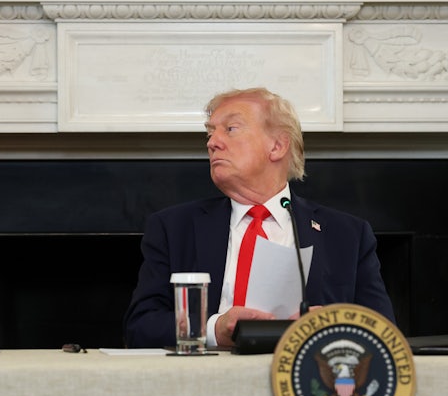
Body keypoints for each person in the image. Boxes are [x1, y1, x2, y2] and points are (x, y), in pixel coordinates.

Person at [124, 87, 395, 348]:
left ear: (277, 146)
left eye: (230, 129)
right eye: (210, 133)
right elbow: (139, 327)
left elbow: (384, 332)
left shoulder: (347, 234)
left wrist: (331, 326)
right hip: (206, 374)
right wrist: (214, 329)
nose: (212, 142)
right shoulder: (174, 228)